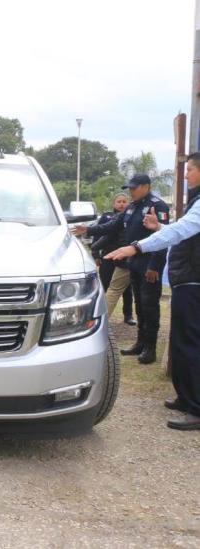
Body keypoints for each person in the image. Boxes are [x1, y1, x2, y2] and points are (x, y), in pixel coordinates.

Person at [106, 152, 200, 430]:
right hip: (185, 280)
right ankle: (186, 397)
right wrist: (159, 227)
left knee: (191, 342)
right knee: (181, 341)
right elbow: (181, 231)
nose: (186, 174)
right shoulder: (193, 201)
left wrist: (137, 246)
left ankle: (196, 406)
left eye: (191, 169)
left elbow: (183, 231)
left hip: (193, 281)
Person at [72, 174, 170, 363]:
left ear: (146, 187)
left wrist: (155, 266)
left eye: (134, 188)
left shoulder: (157, 206)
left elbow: (164, 238)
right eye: (130, 188)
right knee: (140, 305)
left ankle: (150, 348)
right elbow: (113, 226)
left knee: (150, 306)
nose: (131, 191)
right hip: (133, 264)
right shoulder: (132, 207)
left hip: (149, 265)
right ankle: (140, 343)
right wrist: (88, 230)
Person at [91, 193, 136, 325]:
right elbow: (98, 234)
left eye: (124, 201)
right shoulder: (107, 217)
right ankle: (102, 314)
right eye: (119, 201)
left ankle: (128, 315)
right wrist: (96, 254)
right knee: (105, 285)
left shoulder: (130, 217)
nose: (121, 204)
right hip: (107, 256)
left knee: (127, 289)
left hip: (124, 257)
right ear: (114, 204)